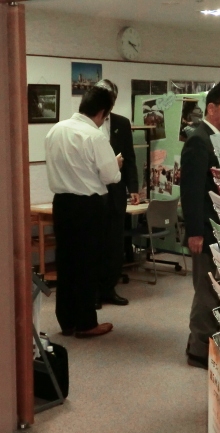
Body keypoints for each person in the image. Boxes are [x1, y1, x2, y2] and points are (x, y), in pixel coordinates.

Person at [45, 86, 122, 338]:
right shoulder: (94, 136)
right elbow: (110, 176)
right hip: (88, 206)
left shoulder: (56, 130)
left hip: (62, 204)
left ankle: (67, 321)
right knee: (88, 264)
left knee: (66, 262)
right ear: (102, 112)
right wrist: (116, 164)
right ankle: (86, 323)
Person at [181, 81, 220, 369]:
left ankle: (207, 344)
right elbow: (191, 190)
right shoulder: (199, 140)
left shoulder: (218, 140)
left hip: (219, 228)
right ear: (212, 107)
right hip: (204, 230)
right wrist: (194, 232)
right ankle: (198, 349)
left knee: (216, 289)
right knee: (207, 290)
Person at [94, 79, 139, 308]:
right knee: (95, 243)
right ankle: (93, 292)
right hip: (94, 191)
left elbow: (129, 157)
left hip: (116, 191)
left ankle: (109, 288)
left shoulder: (121, 122)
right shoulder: (86, 124)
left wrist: (134, 188)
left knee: (114, 243)